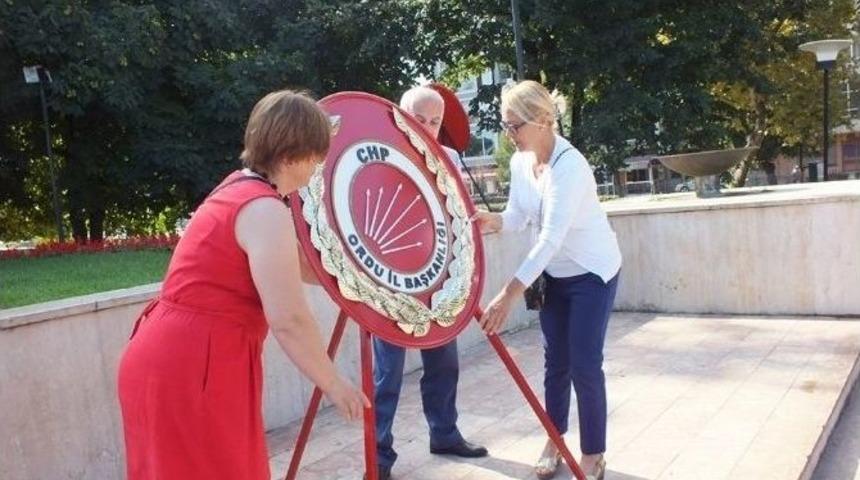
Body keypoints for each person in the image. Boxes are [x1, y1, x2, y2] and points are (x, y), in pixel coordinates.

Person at [117, 90, 369, 480]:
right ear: (291, 155)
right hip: (192, 365)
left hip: (177, 357)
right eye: (316, 155)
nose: (318, 166)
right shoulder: (264, 209)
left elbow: (296, 264)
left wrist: (354, 278)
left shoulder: (241, 189)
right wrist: (333, 383)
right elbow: (289, 318)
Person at [472, 80, 622, 480]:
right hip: (555, 278)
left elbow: (550, 239)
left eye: (513, 126)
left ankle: (593, 455)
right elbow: (520, 215)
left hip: (593, 274)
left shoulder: (570, 166)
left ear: (541, 121)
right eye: (504, 126)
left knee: (585, 365)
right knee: (556, 363)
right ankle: (554, 440)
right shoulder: (523, 162)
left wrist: (507, 294)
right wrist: (496, 221)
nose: (508, 135)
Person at [368, 86, 488, 480]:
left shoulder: (449, 159)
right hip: (388, 282)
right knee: (386, 375)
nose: (427, 127)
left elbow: (460, 222)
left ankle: (445, 433)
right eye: (419, 118)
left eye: (434, 121)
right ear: (400, 115)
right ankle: (380, 459)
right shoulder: (378, 151)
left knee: (445, 364)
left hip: (437, 281)